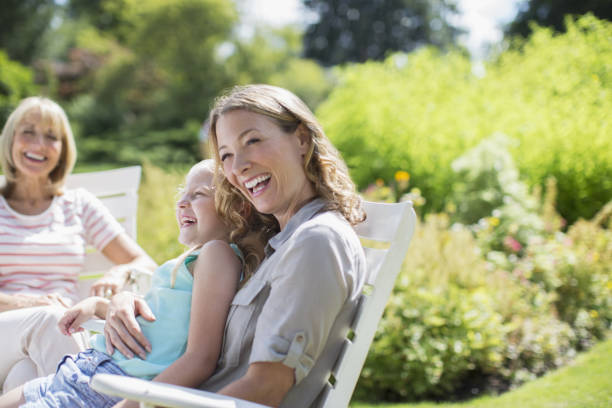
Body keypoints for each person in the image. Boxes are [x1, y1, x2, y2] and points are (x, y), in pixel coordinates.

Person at [104, 84, 367, 408]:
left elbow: (266, 389)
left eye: (252, 141)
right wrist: (127, 299)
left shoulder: (315, 241)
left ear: (301, 139)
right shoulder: (275, 245)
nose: (237, 167)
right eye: (226, 155)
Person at [0, 159, 267, 408]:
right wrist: (98, 306)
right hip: (85, 369)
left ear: (238, 207)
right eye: (181, 194)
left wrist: (134, 403)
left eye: (198, 194)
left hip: (110, 382)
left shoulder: (217, 255)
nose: (182, 202)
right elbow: (156, 320)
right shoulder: (199, 258)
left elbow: (200, 359)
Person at [0, 96, 156, 393]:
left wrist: (116, 273)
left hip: (55, 338)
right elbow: (42, 313)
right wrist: (29, 303)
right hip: (8, 330)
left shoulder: (78, 204)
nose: (38, 144)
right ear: (11, 140)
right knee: (49, 319)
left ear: (63, 149)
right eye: (28, 132)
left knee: (25, 378)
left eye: (51, 136)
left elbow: (144, 263)